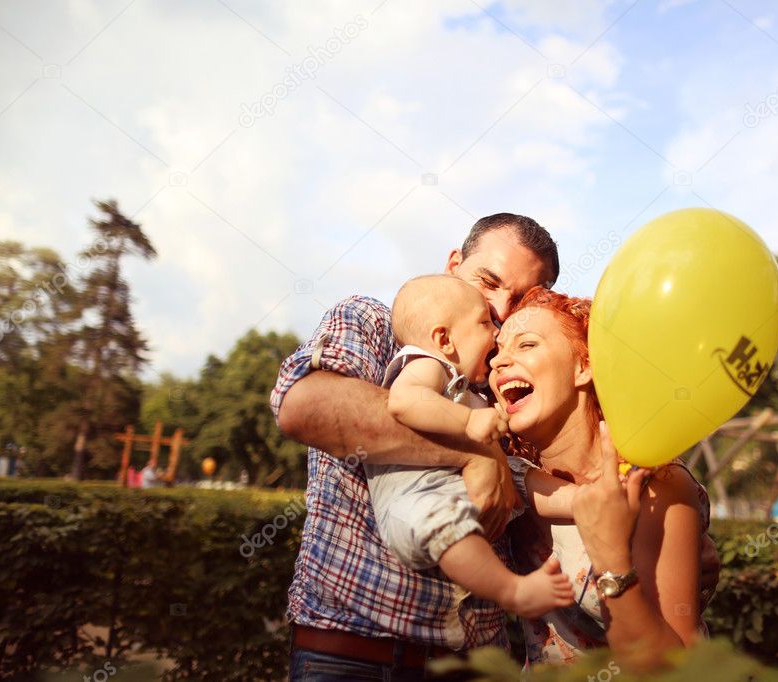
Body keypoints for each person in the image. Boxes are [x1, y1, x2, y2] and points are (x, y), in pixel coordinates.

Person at [271, 213, 720, 680]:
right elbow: (304, 406)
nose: (502, 310)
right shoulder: (374, 324)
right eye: (488, 282)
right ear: (452, 264)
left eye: (521, 299)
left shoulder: (497, 384)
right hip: (354, 654)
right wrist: (475, 452)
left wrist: (668, 539)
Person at [490, 287, 711, 670]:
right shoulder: (507, 478)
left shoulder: (655, 485)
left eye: (526, 344)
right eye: (496, 352)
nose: (499, 363)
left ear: (584, 366)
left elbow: (674, 668)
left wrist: (612, 559)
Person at [365, 273, 576, 618]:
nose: (495, 332)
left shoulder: (464, 386)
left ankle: (580, 501)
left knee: (518, 473)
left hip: (447, 492)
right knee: (448, 524)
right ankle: (512, 591)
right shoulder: (426, 365)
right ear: (444, 339)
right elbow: (404, 401)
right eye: (483, 323)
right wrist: (469, 422)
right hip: (415, 503)